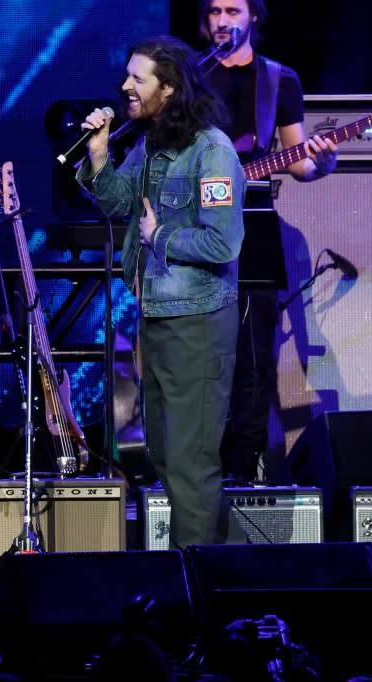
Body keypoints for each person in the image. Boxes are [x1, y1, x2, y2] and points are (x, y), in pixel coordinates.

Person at [76, 34, 247, 548]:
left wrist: (161, 236)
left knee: (192, 462)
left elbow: (223, 242)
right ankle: (233, 574)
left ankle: (192, 591)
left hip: (198, 321)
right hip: (159, 317)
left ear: (168, 88)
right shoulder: (153, 145)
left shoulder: (211, 151)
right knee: (168, 454)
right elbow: (117, 200)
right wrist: (100, 155)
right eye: (127, 75)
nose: (125, 86)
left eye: (138, 78)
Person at [199, 0, 338, 484]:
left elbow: (299, 161)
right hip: (193, 231)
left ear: (253, 17)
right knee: (200, 360)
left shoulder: (279, 79)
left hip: (253, 226)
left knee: (256, 357)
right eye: (214, 11)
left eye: (232, 9)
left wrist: (322, 160)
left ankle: (246, 472)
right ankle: (199, 471)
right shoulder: (188, 79)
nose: (222, 20)